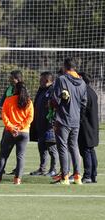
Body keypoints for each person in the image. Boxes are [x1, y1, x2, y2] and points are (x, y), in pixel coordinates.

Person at [51, 57, 87, 185]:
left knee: (62, 147)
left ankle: (65, 176)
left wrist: (58, 103)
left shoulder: (62, 79)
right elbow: (84, 103)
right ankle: (77, 176)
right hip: (76, 119)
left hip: (63, 119)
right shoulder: (82, 82)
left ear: (65, 66)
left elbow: (55, 100)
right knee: (74, 146)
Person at [0, 82, 34, 184]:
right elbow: (30, 117)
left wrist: (12, 128)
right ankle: (17, 179)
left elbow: (4, 115)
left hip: (10, 132)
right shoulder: (29, 102)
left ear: (15, 89)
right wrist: (20, 127)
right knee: (20, 156)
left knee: (3, 156)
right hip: (24, 132)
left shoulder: (8, 100)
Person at [0, 70, 23, 175]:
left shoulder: (23, 90)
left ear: (17, 79)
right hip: (8, 124)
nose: (9, 80)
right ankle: (0, 169)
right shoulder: (9, 89)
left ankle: (17, 170)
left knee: (19, 151)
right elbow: (2, 103)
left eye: (11, 78)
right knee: (3, 147)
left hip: (20, 125)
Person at [29, 72, 59, 177]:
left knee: (52, 148)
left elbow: (55, 108)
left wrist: (52, 122)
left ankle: (53, 169)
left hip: (49, 126)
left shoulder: (53, 91)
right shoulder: (41, 90)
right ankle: (42, 169)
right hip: (40, 125)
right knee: (42, 148)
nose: (39, 82)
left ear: (46, 80)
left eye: (41, 80)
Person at [78, 72, 99, 184]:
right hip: (93, 126)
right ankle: (93, 175)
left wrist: (77, 121)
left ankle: (87, 176)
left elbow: (82, 110)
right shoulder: (92, 92)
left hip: (85, 126)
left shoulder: (84, 92)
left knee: (86, 150)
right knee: (90, 150)